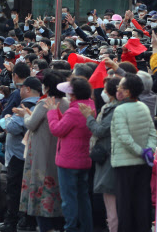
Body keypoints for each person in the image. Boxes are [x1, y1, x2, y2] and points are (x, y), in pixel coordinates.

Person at [19, 70, 69, 232]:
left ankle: (45, 227)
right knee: (57, 189)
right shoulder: (66, 103)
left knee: (41, 189)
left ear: (46, 87)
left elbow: (31, 124)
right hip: (60, 151)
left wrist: (25, 115)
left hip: (42, 152)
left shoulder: (45, 103)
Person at [47, 77, 96, 232]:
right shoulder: (89, 106)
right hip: (84, 159)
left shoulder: (74, 111)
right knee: (83, 197)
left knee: (69, 199)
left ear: (73, 95)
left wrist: (52, 113)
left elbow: (57, 130)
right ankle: (86, 227)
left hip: (68, 161)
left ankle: (71, 228)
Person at [110, 74, 157, 232]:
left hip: (124, 164)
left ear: (128, 92)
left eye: (120, 88)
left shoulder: (120, 110)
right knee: (142, 203)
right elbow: (152, 132)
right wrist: (148, 151)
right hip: (143, 164)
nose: (118, 90)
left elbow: (124, 137)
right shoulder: (143, 106)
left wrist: (140, 151)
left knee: (125, 206)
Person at [0, 77, 42, 232]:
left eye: (21, 88)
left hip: (19, 155)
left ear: (27, 89)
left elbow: (14, 128)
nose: (20, 91)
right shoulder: (40, 105)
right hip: (32, 155)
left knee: (15, 189)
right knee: (30, 189)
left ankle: (13, 221)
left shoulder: (27, 106)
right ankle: (27, 220)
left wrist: (7, 119)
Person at [82, 77, 121, 232]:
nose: (101, 92)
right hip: (109, 157)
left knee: (112, 208)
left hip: (111, 158)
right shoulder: (109, 108)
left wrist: (89, 118)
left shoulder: (114, 110)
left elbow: (100, 130)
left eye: (104, 89)